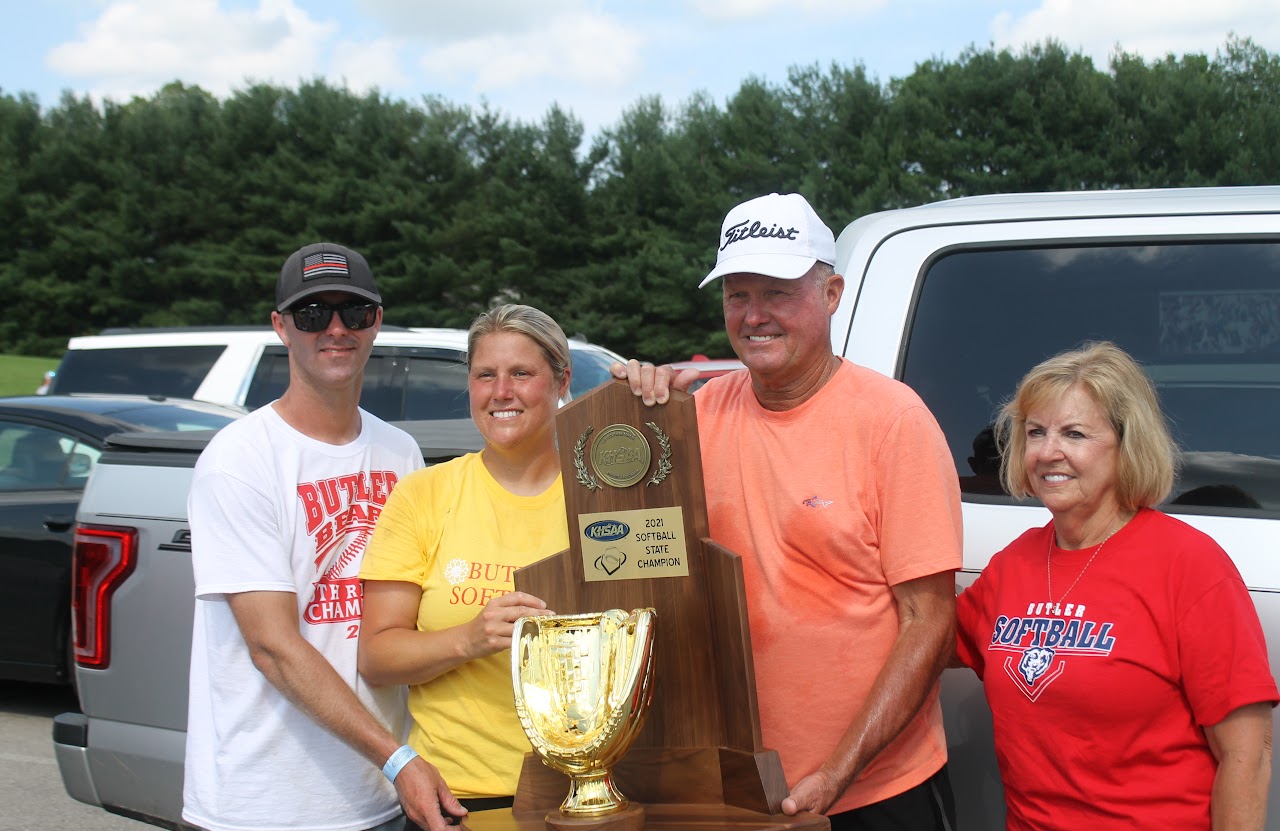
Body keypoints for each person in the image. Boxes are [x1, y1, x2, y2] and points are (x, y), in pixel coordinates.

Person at [614, 192, 963, 829]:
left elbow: (930, 622)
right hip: (737, 789)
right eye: (736, 294)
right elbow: (630, 563)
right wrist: (630, 419)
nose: (754, 316)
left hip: (877, 791)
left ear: (831, 293)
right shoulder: (695, 418)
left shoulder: (894, 422)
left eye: (777, 291)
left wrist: (838, 772)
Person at [183, 242, 464, 831]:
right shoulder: (240, 459)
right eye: (313, 314)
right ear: (281, 327)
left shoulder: (400, 452)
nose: (335, 329)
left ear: (376, 323)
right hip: (266, 807)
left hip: (382, 799)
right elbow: (273, 649)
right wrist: (398, 758)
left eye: (353, 313)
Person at [954, 341, 1278, 829]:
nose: (1048, 452)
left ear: (1128, 444)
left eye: (1075, 433)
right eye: (1036, 432)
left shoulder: (1190, 566)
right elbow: (920, 639)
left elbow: (1246, 757)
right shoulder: (1013, 564)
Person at [357, 304, 565, 829]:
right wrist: (469, 639)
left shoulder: (604, 497)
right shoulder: (424, 495)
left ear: (561, 380)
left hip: (590, 798)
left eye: (521, 373)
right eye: (484, 375)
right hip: (461, 802)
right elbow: (377, 656)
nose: (501, 392)